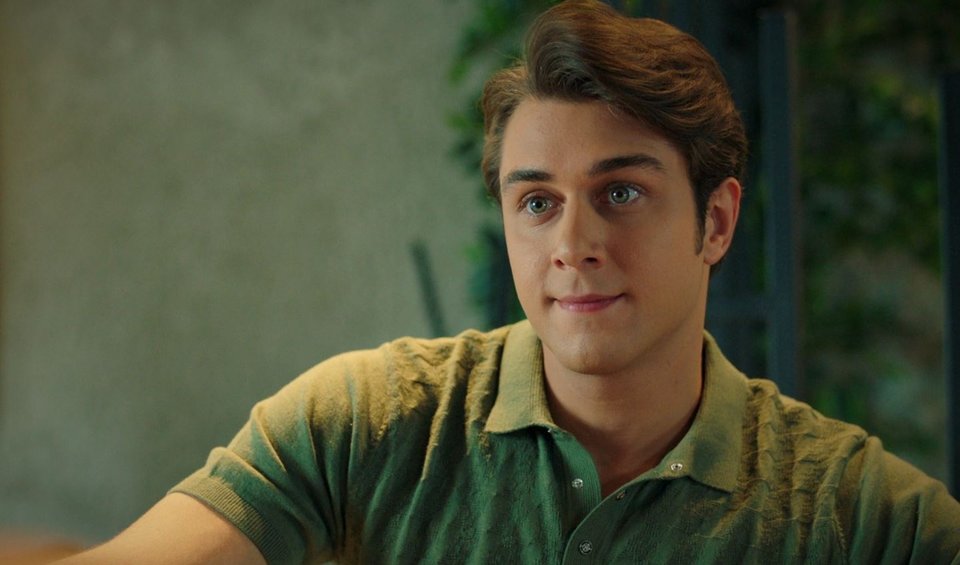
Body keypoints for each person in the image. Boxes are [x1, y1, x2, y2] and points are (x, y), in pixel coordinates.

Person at [60, 1, 960, 563]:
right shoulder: (368, 423)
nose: (572, 243)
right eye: (537, 202)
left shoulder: (855, 513)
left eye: (620, 192)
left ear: (716, 221)